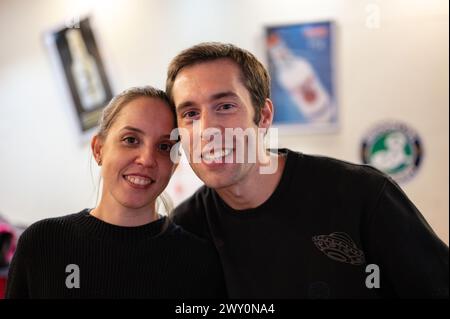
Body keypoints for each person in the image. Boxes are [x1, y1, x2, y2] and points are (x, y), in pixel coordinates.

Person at [166, 42, 449, 298]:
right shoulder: (186, 228)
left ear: (263, 116)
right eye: (190, 114)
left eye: (225, 106)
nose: (207, 130)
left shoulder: (363, 195)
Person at [6, 86, 226, 298]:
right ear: (98, 149)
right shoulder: (43, 243)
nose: (147, 159)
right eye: (130, 140)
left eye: (164, 147)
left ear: (175, 164)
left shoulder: (198, 261)